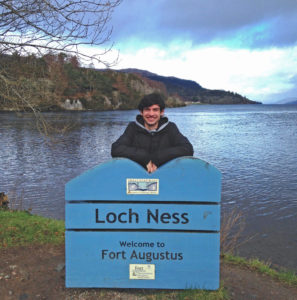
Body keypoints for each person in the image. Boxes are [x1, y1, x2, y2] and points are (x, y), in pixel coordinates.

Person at [111, 93, 194, 173]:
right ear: (141, 112)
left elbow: (187, 149)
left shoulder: (170, 128)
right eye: (147, 109)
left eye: (155, 110)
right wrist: (144, 157)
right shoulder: (133, 128)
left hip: (165, 177)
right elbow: (116, 149)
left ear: (161, 112)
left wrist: (158, 157)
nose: (151, 114)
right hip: (138, 179)